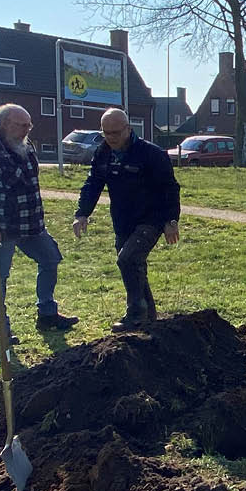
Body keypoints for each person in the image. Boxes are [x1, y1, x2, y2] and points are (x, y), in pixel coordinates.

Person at [0, 103, 79, 342]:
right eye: (22, 125)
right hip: (1, 227)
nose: (27, 129)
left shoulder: (26, 146)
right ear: (5, 124)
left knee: (51, 258)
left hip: (31, 224)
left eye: (29, 125)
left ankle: (47, 314)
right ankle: (0, 330)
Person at [73, 108, 181, 331]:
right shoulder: (103, 153)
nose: (111, 138)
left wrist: (171, 221)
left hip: (151, 218)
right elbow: (93, 184)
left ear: (128, 129)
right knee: (134, 265)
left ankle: (135, 315)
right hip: (123, 220)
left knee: (128, 259)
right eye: (106, 133)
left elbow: (169, 188)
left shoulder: (150, 154)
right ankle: (149, 315)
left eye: (116, 132)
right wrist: (82, 213)